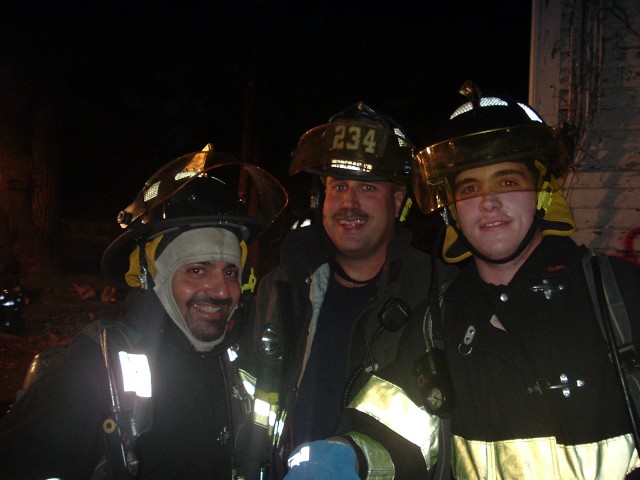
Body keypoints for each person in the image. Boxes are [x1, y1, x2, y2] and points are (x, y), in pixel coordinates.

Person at [283, 83, 640, 479]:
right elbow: (395, 433)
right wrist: (351, 456)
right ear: (451, 210)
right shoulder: (437, 323)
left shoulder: (619, 296)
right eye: (469, 187)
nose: (488, 202)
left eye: (507, 181)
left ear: (541, 192)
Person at [0, 146, 287, 479]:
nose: (221, 291)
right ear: (152, 278)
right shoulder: (98, 366)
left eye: (230, 272)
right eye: (196, 270)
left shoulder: (242, 361)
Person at [245, 101, 457, 478]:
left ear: (398, 201)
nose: (349, 203)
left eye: (368, 187)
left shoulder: (437, 294)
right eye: (338, 186)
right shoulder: (281, 289)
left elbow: (445, 439)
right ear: (321, 198)